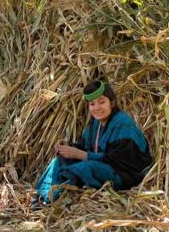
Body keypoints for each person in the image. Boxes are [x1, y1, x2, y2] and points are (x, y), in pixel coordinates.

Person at [32, 80, 152, 208]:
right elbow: (85, 148)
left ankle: (52, 199)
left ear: (112, 103)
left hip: (124, 176)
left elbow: (119, 161)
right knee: (59, 160)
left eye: (102, 102)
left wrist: (80, 155)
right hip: (100, 168)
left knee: (85, 167)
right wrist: (68, 147)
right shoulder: (95, 124)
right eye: (92, 104)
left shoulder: (123, 124)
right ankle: (41, 196)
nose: (97, 108)